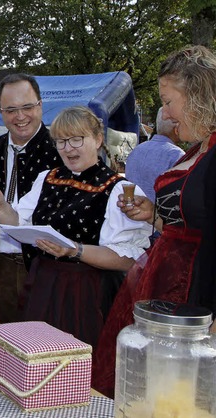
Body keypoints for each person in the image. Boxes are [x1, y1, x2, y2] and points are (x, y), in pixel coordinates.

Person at [93, 45, 216, 397]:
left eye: (169, 100)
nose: (166, 112)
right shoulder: (198, 147)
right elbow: (193, 223)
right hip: (167, 283)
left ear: (198, 94)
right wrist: (155, 215)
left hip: (196, 295)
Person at [0, 106, 151, 347]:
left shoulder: (118, 188)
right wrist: (0, 206)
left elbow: (129, 258)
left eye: (76, 139)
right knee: (38, 359)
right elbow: (19, 223)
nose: (68, 148)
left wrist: (75, 250)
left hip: (88, 293)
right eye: (61, 141)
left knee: (78, 363)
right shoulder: (47, 178)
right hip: (44, 285)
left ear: (98, 139)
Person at [0, 73, 62, 324]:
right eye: (11, 110)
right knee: (8, 337)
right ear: (0, 112)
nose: (20, 117)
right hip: (0, 264)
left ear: (40, 105)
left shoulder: (61, 150)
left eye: (27, 107)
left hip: (47, 266)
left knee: (44, 341)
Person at [125, 107, 185, 202]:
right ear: (176, 128)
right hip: (158, 214)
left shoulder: (136, 150)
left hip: (130, 212)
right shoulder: (177, 155)